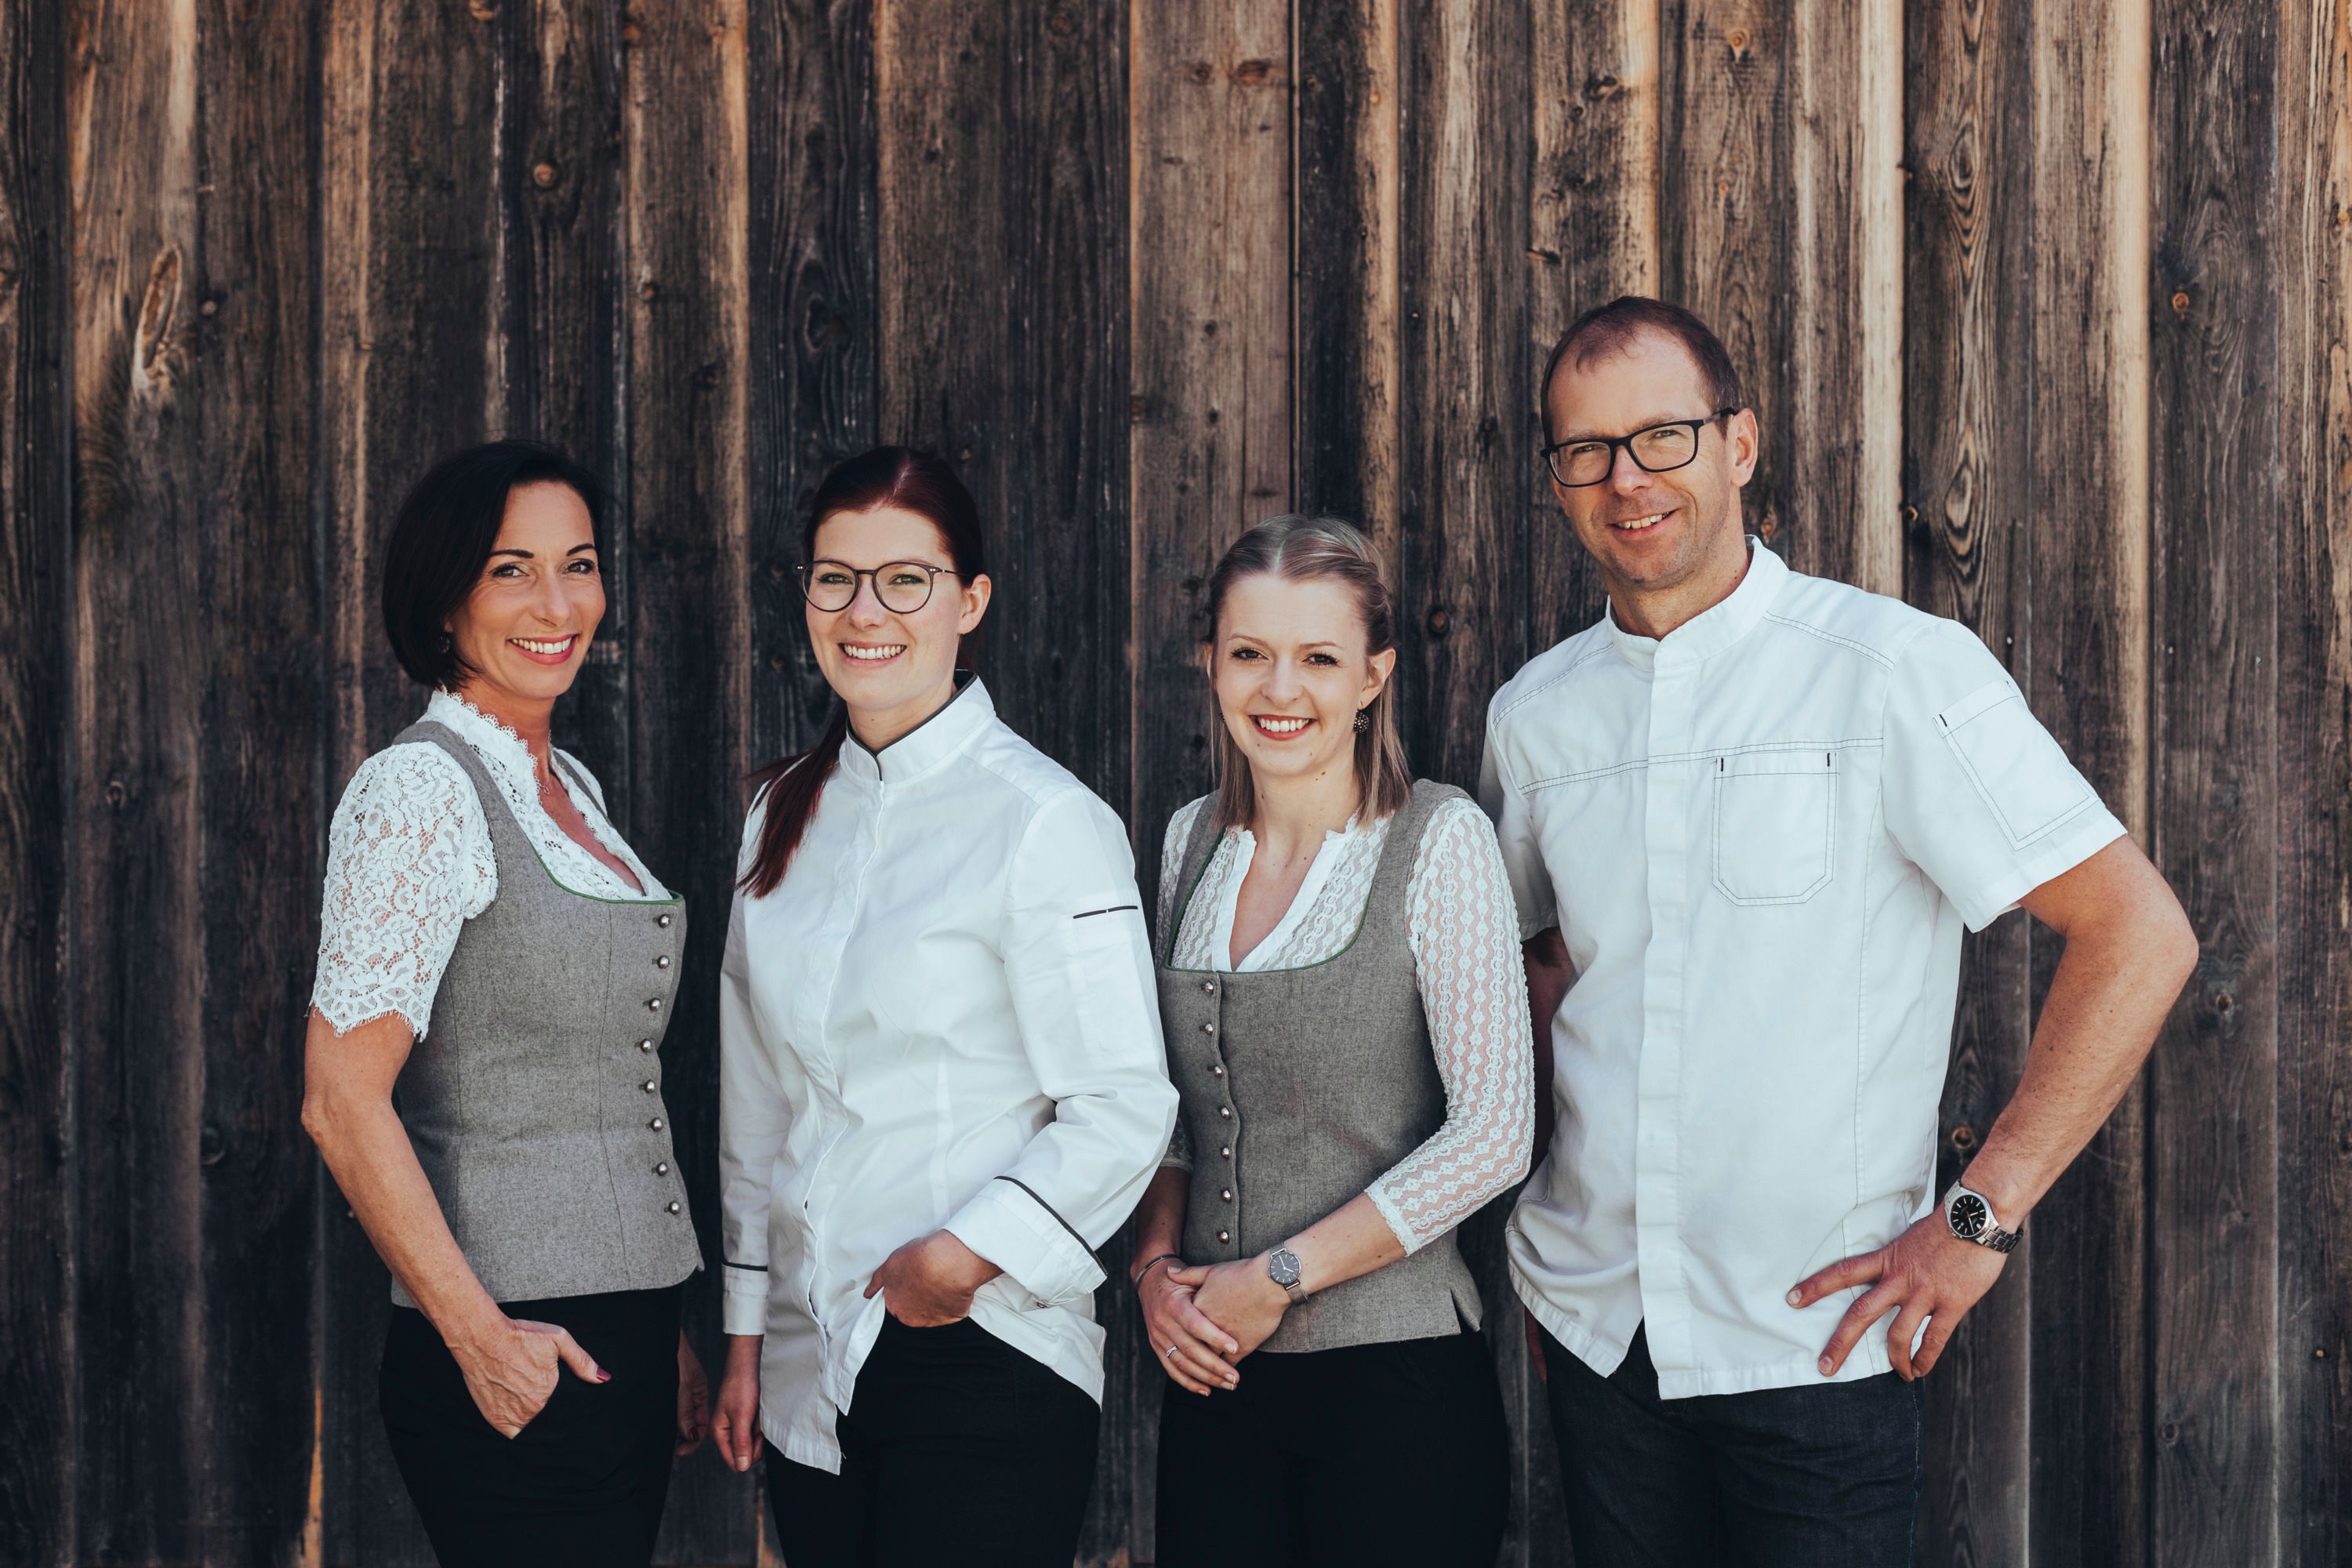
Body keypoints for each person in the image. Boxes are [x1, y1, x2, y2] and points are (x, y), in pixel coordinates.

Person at [1482, 296, 2200, 1566]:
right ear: (1557, 481)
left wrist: (1978, 1221)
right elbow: (1546, 970)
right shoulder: (1535, 718)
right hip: (1601, 1336)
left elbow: (2138, 935)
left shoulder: (1890, 670)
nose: (1626, 479)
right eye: (1587, 450)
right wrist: (1555, 1233)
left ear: (1739, 444)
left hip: (1817, 1345)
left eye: (1662, 437)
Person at [708, 445, 1178, 1567]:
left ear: (969, 602)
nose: (865, 612)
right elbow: (756, 1101)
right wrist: (744, 1331)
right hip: (808, 1362)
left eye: (906, 580)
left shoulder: (1044, 821)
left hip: (982, 1344)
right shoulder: (780, 814)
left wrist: (961, 1258)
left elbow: (1123, 1107)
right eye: (836, 578)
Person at [301, 441, 709, 1568]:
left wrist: (660, 1325)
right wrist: (480, 1340)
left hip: (621, 1334)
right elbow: (341, 1101)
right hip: (512, 1344)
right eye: (510, 570)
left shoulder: (570, 785)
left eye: (579, 565)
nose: (558, 605)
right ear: (443, 601)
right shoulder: (420, 789)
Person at [1131, 516, 1534, 1568]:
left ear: (1372, 677)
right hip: (1216, 1378)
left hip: (1395, 1387)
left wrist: (1278, 1276)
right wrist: (1155, 1269)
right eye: (1250, 653)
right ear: (1211, 663)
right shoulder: (1187, 843)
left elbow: (1495, 1134)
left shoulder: (1438, 839)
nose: (1281, 689)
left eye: (1318, 658)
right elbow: (1177, 1114)